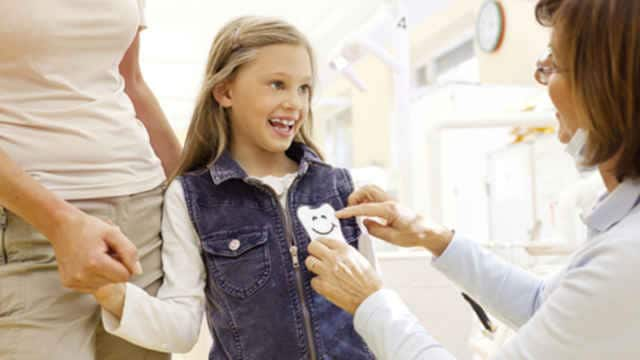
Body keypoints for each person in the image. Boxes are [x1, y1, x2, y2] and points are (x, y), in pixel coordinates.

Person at [304, 0, 640, 358]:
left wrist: (369, 300)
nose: (541, 81)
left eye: (553, 66)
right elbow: (539, 303)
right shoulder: (620, 234)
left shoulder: (626, 255)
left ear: (607, 84)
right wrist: (432, 238)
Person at [91, 16, 378, 359]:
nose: (295, 102)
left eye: (304, 88)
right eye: (277, 84)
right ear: (225, 91)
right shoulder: (192, 198)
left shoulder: (339, 187)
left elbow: (375, 308)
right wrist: (112, 294)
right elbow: (181, 329)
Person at [0, 1, 181, 359]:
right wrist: (60, 224)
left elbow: (132, 82)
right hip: (30, 226)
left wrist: (198, 194)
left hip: (141, 216)